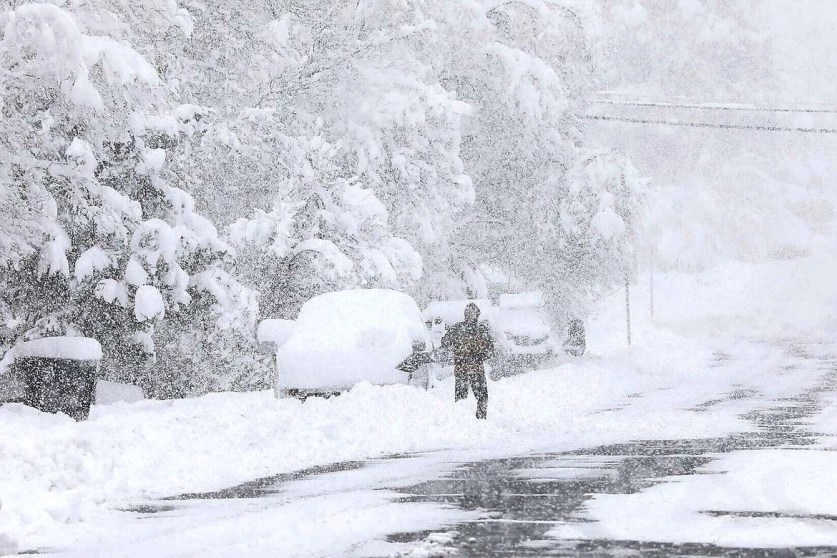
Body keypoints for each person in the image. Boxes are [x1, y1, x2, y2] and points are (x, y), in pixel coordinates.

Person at [442, 303, 494, 419]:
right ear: (477, 315)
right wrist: (479, 356)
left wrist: (458, 352)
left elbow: (445, 343)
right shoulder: (482, 330)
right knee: (482, 397)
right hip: (476, 370)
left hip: (461, 370)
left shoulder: (457, 328)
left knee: (460, 398)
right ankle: (480, 419)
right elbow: (490, 351)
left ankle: (461, 419)